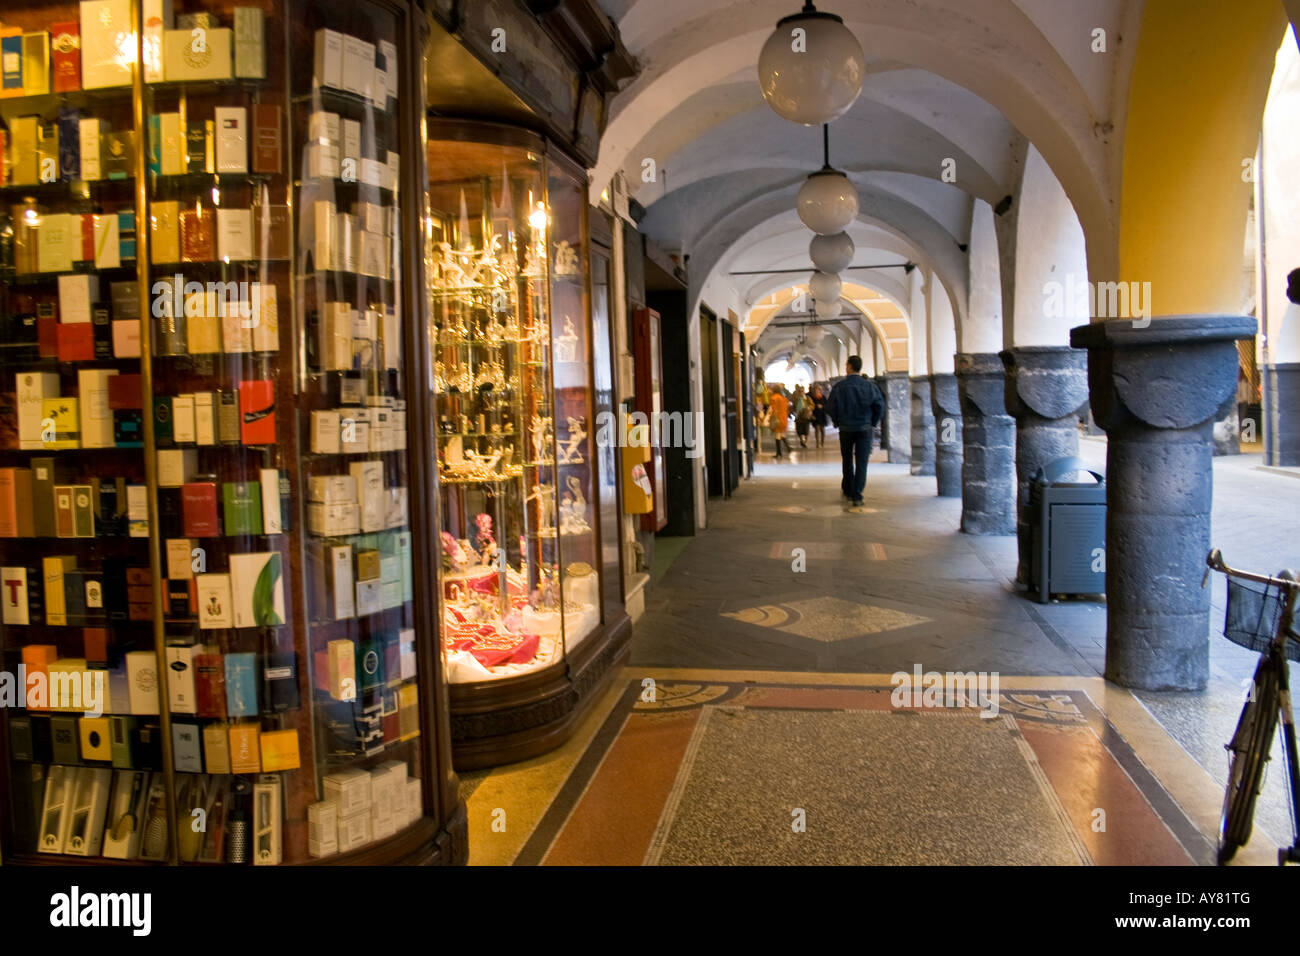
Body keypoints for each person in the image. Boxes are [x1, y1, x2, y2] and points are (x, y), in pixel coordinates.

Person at [825, 356, 884, 506]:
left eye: (846, 365)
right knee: (862, 462)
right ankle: (857, 495)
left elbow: (830, 407)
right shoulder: (870, 386)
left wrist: (837, 422)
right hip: (864, 428)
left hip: (846, 428)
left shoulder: (840, 387)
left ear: (850, 366)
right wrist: (872, 422)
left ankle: (847, 489)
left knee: (847, 459)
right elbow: (879, 406)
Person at [768, 384, 791, 459]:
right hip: (784, 418)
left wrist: (768, 417)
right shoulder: (784, 398)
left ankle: (779, 453)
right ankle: (788, 447)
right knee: (782, 434)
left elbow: (773, 409)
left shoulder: (773, 398)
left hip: (777, 419)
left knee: (777, 435)